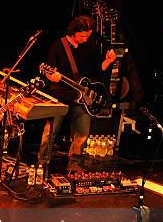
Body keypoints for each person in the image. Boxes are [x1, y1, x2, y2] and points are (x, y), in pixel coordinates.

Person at [38, 15, 116, 173]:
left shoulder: (89, 46)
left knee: (83, 132)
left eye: (88, 35)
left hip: (82, 98)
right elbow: (50, 73)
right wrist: (51, 76)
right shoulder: (58, 47)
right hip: (60, 95)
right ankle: (43, 162)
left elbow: (97, 70)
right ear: (73, 32)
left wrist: (107, 61)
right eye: (82, 36)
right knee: (50, 132)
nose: (86, 39)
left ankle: (74, 163)